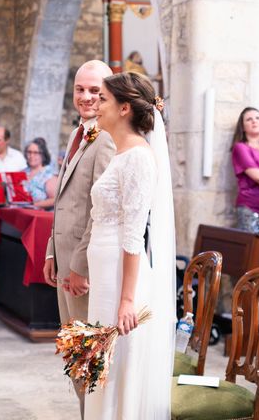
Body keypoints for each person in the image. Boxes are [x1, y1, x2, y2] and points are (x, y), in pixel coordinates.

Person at [84, 71, 174, 419]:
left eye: (103, 98)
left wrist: (126, 299)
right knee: (103, 365)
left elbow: (134, 233)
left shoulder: (137, 156)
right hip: (106, 274)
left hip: (122, 279)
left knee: (117, 365)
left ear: (124, 108)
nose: (96, 104)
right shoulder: (122, 154)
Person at [42, 60, 115, 416]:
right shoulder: (77, 133)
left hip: (83, 269)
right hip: (64, 259)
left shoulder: (108, 138)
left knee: (89, 354)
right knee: (74, 352)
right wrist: (51, 251)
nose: (86, 97)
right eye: (80, 90)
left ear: (108, 93)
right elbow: (65, 201)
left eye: (94, 91)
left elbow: (99, 210)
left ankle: (95, 413)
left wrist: (80, 266)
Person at [231, 107, 259, 233]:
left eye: (257, 118)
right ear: (243, 127)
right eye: (249, 119)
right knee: (252, 251)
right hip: (251, 206)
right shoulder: (241, 148)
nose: (254, 121)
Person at [23, 137, 57, 209]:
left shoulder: (48, 175)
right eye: (29, 152)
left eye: (36, 153)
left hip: (39, 216)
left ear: (43, 155)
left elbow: (55, 199)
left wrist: (35, 205)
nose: (31, 156)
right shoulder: (22, 172)